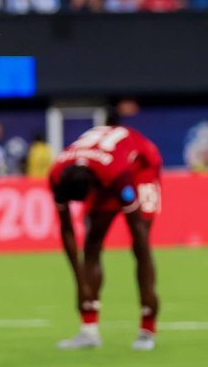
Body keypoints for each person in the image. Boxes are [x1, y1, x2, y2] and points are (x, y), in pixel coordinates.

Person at [49, 122, 163, 351]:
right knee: (92, 242)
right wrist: (80, 283)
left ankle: (147, 328)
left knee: (140, 246)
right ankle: (89, 331)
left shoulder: (117, 175)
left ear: (92, 188)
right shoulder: (57, 175)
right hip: (99, 167)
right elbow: (66, 229)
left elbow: (138, 232)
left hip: (141, 168)